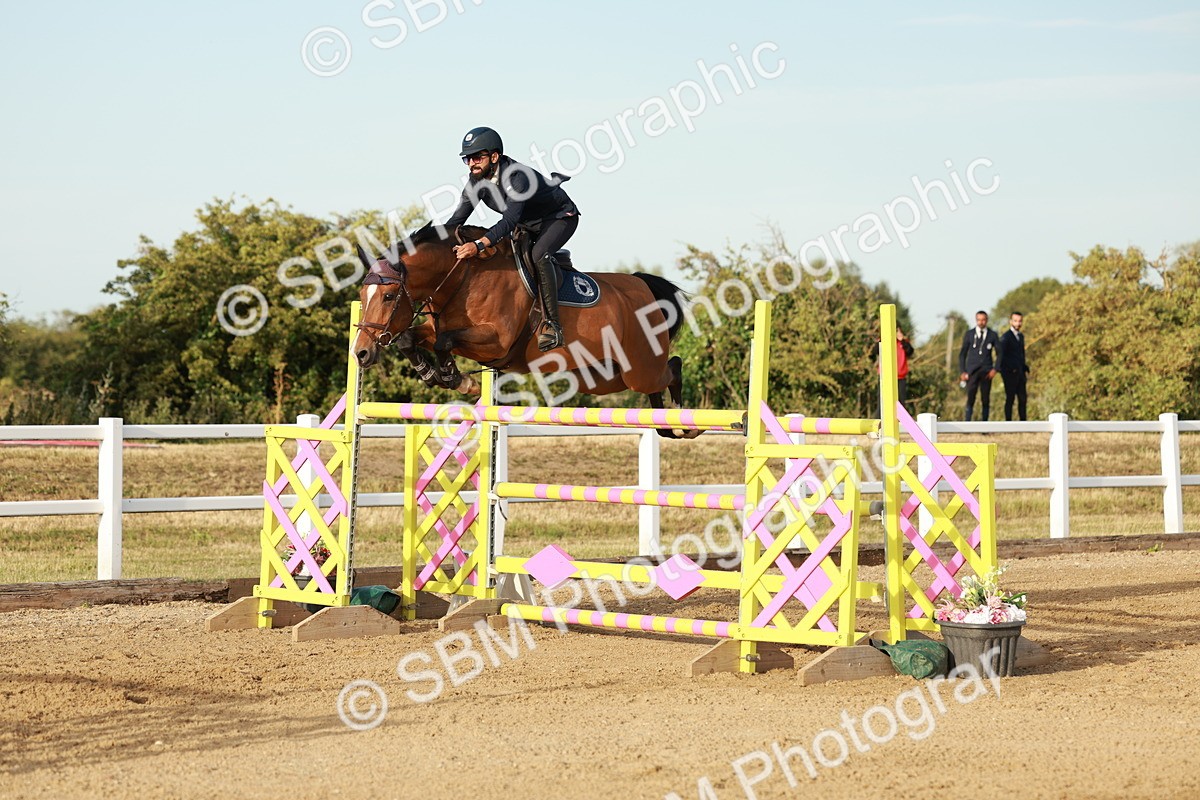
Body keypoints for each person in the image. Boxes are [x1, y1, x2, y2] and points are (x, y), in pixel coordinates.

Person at [443, 126, 580, 351]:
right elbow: (456, 220)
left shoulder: (517, 177)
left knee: (538, 255)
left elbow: (508, 222)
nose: (471, 164)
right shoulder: (476, 181)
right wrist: (432, 243)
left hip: (558, 217)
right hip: (527, 223)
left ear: (494, 157)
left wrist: (478, 245)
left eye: (477, 157)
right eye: (467, 159)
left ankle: (553, 326)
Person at [958, 310, 999, 421]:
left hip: (987, 371)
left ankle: (985, 424)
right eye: (979, 320)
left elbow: (1000, 354)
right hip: (972, 371)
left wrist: (995, 369)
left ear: (987, 320)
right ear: (976, 320)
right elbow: (962, 354)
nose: (981, 322)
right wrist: (963, 371)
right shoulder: (969, 334)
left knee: (985, 398)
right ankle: (967, 422)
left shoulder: (993, 335)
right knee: (971, 397)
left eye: (983, 320)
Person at [997, 311, 1030, 421]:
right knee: (1010, 398)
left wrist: (1024, 366)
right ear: (1011, 321)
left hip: (1020, 373)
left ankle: (1023, 423)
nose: (1018, 323)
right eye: (1015, 321)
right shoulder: (1006, 337)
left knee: (1023, 399)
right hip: (1010, 373)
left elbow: (1020, 354)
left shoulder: (1020, 336)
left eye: (1020, 321)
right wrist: (1007, 369)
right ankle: (1008, 423)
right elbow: (1001, 355)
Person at [876, 324, 915, 415]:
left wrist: (902, 341)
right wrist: (882, 338)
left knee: (900, 403)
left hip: (900, 377)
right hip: (885, 377)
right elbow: (875, 350)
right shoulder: (884, 341)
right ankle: (879, 421)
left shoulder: (904, 343)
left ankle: (900, 422)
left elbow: (910, 352)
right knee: (882, 403)